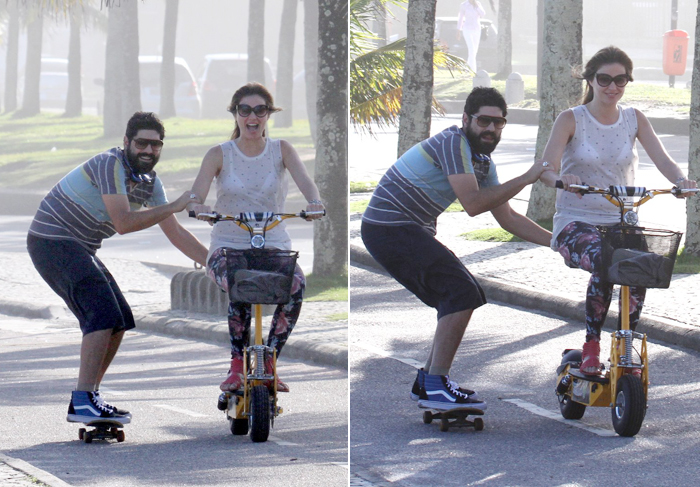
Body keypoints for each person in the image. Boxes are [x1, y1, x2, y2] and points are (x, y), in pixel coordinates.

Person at [361, 87, 553, 411]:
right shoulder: (454, 142)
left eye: (499, 123)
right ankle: (436, 384)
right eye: (484, 121)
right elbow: (474, 205)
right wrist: (527, 177)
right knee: (461, 292)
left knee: (457, 294)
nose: (491, 129)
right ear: (466, 119)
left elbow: (507, 218)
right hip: (388, 227)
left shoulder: (482, 162)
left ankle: (428, 382)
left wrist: (556, 243)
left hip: (400, 230)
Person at [27, 111, 208, 424]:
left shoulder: (151, 184)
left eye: (156, 145)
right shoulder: (109, 164)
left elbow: (175, 232)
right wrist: (176, 204)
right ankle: (83, 399)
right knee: (101, 314)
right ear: (126, 142)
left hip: (79, 247)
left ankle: (89, 397)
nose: (149, 151)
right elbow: (123, 222)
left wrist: (217, 264)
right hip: (51, 240)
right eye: (142, 143)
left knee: (121, 319)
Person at [537, 46, 698, 375]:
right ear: (591, 80)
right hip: (576, 222)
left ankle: (626, 346)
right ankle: (591, 346)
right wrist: (561, 179)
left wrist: (682, 182)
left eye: (620, 80)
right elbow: (545, 168)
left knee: (641, 266)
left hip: (621, 222)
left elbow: (663, 159)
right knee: (605, 259)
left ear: (628, 81)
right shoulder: (571, 119)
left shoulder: (634, 118)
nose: (612, 87)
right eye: (605, 79)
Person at [186, 82, 324, 394]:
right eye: (244, 110)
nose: (252, 117)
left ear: (268, 115)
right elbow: (196, 195)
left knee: (296, 286)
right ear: (235, 114)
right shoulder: (219, 154)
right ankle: (236, 365)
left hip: (273, 244)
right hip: (228, 246)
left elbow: (307, 184)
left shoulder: (282, 150)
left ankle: (270, 360)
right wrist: (200, 208)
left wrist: (314, 203)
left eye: (259, 110)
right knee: (239, 284)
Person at [457, 0, 486, 73]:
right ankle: (473, 71)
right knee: (471, 49)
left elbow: (482, 14)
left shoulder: (478, 4)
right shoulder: (464, 5)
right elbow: (460, 17)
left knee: (474, 51)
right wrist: (458, 30)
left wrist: (477, 6)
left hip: (477, 29)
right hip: (467, 29)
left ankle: (467, 69)